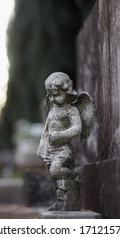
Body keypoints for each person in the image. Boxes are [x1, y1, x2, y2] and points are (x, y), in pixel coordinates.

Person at [37, 72, 82, 211]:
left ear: (67, 91)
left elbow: (77, 128)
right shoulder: (52, 111)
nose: (52, 98)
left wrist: (61, 135)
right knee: (54, 178)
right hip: (51, 150)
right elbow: (46, 131)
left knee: (55, 170)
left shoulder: (72, 110)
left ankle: (73, 176)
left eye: (56, 94)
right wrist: (42, 148)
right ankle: (60, 202)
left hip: (64, 150)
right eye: (50, 95)